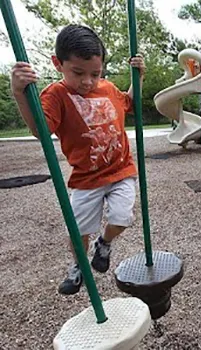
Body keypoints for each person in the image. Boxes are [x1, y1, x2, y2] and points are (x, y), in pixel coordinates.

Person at [10, 24, 145, 295]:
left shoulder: (106, 88)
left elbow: (131, 103)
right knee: (78, 230)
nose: (88, 81)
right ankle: (79, 265)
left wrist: (137, 76)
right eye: (78, 73)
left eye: (95, 73)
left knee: (122, 217)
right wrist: (19, 94)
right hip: (86, 178)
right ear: (58, 64)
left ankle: (104, 243)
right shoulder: (56, 95)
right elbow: (41, 130)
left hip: (121, 169)